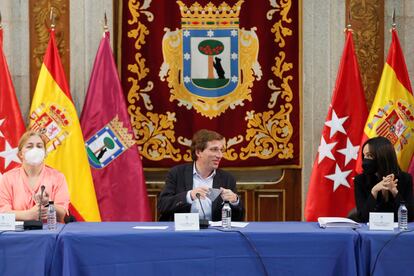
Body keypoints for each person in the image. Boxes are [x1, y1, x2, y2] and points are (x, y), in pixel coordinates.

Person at [158, 129, 244, 221]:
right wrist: (189, 196)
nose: (220, 155)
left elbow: (238, 217)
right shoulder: (177, 173)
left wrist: (235, 201)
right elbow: (162, 206)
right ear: (198, 152)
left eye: (221, 150)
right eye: (214, 150)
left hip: (215, 233)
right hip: (182, 232)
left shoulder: (227, 178)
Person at [0, 130, 70, 222]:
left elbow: (62, 215)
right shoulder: (7, 178)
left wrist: (48, 203)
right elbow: (2, 214)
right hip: (16, 235)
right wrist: (28, 215)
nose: (35, 149)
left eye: (39, 146)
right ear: (20, 154)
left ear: (45, 154)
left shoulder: (58, 177)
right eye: (30, 146)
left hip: (50, 234)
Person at [354, 136, 414, 222]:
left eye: (369, 155)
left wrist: (395, 192)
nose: (365, 160)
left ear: (382, 156)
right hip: (370, 233)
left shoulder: (405, 179)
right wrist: (374, 192)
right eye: (364, 156)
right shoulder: (360, 180)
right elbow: (362, 218)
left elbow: (410, 217)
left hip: (398, 233)